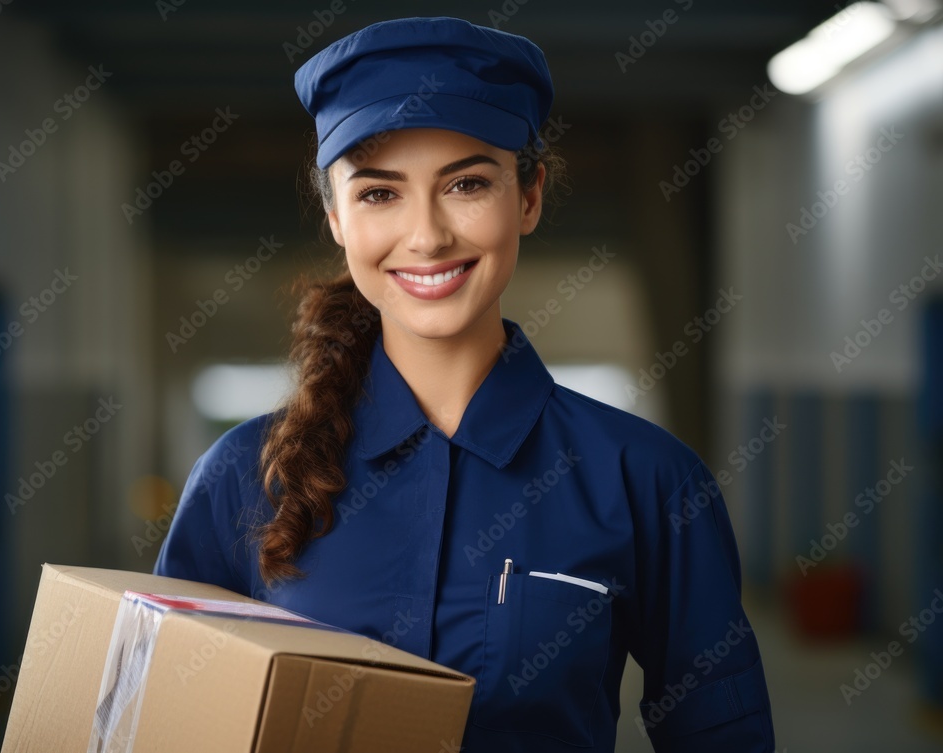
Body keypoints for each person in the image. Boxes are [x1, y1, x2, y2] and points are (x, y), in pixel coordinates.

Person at [153, 15, 777, 752]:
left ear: (531, 195)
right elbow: (167, 723)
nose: (426, 236)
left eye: (467, 184)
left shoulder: (649, 482)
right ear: (335, 216)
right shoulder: (240, 477)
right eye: (380, 194)